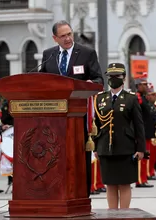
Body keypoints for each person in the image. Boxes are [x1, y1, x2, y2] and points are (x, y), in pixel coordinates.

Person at [39, 20, 103, 197]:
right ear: (55, 38)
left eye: (69, 34)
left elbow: (99, 79)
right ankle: (55, 190)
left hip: (78, 116)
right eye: (63, 36)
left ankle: (81, 191)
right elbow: (42, 81)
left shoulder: (86, 53)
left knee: (78, 154)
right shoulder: (49, 55)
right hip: (53, 118)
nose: (67, 38)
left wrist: (91, 84)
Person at [94, 63, 146, 209]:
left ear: (123, 78)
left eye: (117, 76)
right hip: (105, 147)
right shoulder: (100, 99)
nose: (113, 78)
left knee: (124, 184)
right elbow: (96, 125)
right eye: (111, 76)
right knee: (110, 184)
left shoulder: (131, 98)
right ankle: (112, 215)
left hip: (125, 147)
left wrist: (141, 148)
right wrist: (95, 146)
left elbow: (139, 125)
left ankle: (124, 215)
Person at [134, 75, 156, 187]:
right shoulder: (137, 98)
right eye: (144, 84)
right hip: (141, 131)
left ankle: (143, 178)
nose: (146, 86)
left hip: (146, 131)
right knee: (141, 157)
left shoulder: (143, 98)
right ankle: (139, 179)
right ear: (139, 85)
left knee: (145, 157)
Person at [145, 84, 156, 181]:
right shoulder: (147, 106)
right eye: (153, 95)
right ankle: (148, 173)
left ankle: (151, 171)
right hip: (150, 132)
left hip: (154, 133)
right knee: (149, 155)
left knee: (153, 155)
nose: (155, 97)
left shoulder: (153, 106)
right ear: (149, 96)